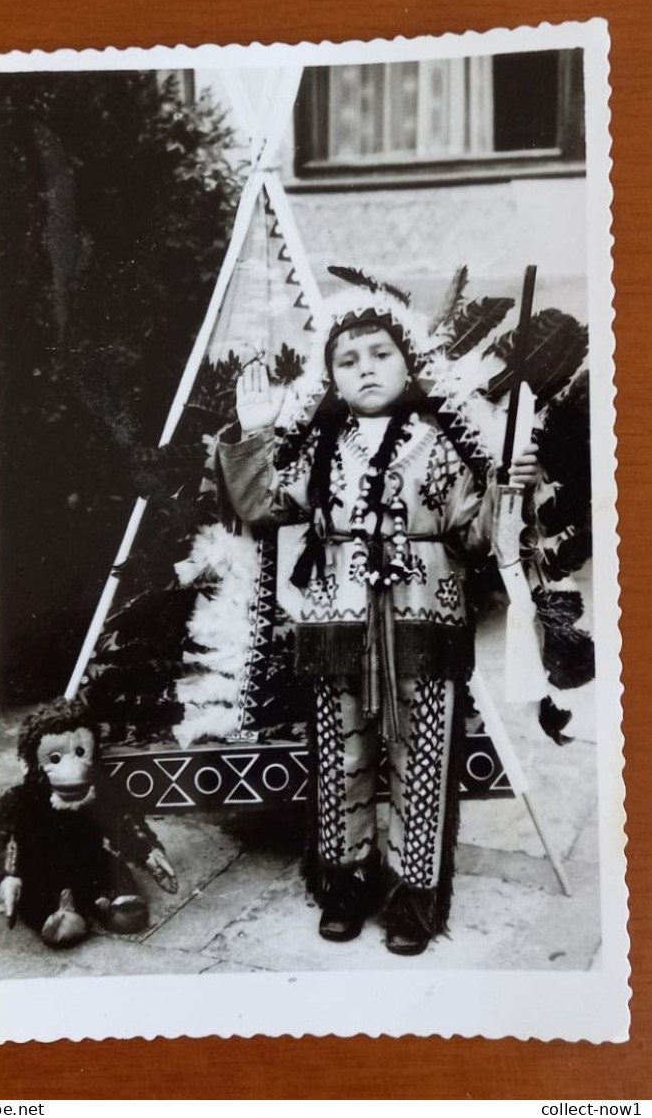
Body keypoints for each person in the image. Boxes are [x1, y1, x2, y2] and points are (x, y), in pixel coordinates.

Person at [215, 281, 539, 955]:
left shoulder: (444, 444)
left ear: (408, 361)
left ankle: (414, 895)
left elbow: (475, 535)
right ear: (329, 376)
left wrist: (507, 486)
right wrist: (252, 437)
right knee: (341, 755)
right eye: (348, 358)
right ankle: (344, 880)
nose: (365, 367)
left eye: (379, 353)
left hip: (427, 620)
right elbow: (265, 505)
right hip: (337, 624)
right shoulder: (320, 446)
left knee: (422, 756)